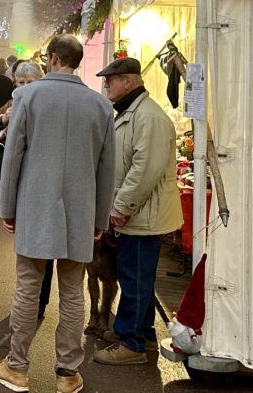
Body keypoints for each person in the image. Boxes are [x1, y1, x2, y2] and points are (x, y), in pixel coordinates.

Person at [0, 34, 115, 393]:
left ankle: (17, 366)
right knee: (72, 292)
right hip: (80, 212)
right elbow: (107, 169)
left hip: (35, 207)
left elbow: (12, 159)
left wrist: (7, 207)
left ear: (54, 58)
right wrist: (99, 218)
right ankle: (67, 373)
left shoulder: (26, 96)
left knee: (28, 289)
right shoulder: (101, 106)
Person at [93, 57, 181, 366]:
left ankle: (130, 342)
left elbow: (144, 170)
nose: (106, 84)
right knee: (137, 276)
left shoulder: (148, 117)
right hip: (139, 214)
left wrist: (121, 206)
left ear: (129, 81)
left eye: (111, 79)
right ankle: (142, 334)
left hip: (144, 215)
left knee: (134, 279)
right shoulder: (133, 113)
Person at [0, 61, 51, 318]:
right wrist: (3, 120)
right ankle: (27, 303)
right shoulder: (13, 104)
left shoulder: (45, 106)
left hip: (38, 183)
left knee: (42, 252)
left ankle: (36, 304)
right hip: (23, 186)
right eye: (20, 83)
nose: (23, 87)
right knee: (28, 254)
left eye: (29, 82)